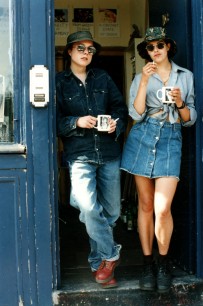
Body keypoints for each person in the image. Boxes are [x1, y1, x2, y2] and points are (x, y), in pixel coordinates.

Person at [121, 27, 197, 293]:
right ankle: (146, 263)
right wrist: (142, 82)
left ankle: (162, 263)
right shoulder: (142, 76)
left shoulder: (185, 76)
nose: (156, 51)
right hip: (143, 136)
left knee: (162, 207)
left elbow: (190, 119)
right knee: (145, 204)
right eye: (151, 48)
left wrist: (179, 103)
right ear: (147, 53)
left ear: (168, 48)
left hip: (170, 139)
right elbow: (136, 113)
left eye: (160, 46)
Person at [56, 31, 128, 289]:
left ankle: (100, 265)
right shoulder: (59, 82)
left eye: (90, 49)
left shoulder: (103, 78)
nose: (86, 53)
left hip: (108, 152)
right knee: (87, 207)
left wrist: (115, 125)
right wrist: (75, 121)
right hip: (81, 154)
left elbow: (120, 108)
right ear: (70, 52)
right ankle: (112, 255)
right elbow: (52, 120)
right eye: (80, 48)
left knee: (111, 213)